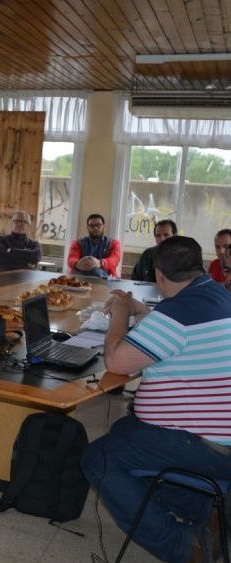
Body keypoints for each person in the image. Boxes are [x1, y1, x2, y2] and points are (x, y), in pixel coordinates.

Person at [81, 236, 231, 563]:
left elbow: (117, 361)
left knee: (97, 459)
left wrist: (121, 312)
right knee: (123, 431)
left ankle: (183, 546)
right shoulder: (214, 293)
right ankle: (206, 511)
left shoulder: (177, 312)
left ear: (159, 275)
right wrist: (142, 310)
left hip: (208, 445)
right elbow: (177, 334)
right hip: (221, 438)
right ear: (200, 266)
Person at [66, 213, 122, 278]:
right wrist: (77, 264)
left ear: (104, 227)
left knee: (95, 271)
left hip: (106, 280)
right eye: (92, 226)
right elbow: (71, 259)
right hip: (81, 279)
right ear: (87, 228)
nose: (95, 228)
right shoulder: (77, 243)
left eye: (98, 225)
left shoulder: (114, 243)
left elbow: (115, 259)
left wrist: (100, 263)